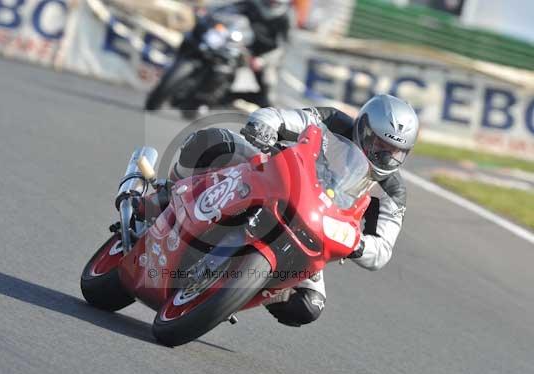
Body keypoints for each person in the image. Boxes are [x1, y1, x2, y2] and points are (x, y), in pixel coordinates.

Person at [168, 94, 420, 327]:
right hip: (278, 182)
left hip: (315, 226)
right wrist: (265, 126)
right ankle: (168, 192)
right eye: (378, 144)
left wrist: (359, 245)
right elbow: (280, 116)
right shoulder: (331, 120)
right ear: (363, 129)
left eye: (394, 152)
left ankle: (233, 295)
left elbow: (383, 249)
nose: (383, 156)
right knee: (212, 141)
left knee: (308, 305)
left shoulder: (392, 191)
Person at [191, 0, 291, 107]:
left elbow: (282, 47)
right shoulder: (251, 4)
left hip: (262, 56)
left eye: (274, 2)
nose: (271, 4)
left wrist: (262, 60)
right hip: (239, 44)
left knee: (268, 91)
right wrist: (206, 12)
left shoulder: (285, 18)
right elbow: (226, 10)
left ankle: (227, 99)